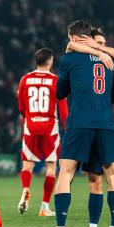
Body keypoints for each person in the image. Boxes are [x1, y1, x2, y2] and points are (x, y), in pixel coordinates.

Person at [42, 20, 114, 227]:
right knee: (112, 175)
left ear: (73, 37)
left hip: (79, 122)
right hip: (106, 123)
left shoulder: (69, 59)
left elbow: (59, 93)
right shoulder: (110, 61)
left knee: (66, 173)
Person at [67, 26, 114, 227]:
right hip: (90, 123)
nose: (102, 47)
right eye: (98, 42)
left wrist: (102, 52)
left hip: (103, 125)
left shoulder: (108, 64)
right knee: (95, 179)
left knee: (112, 175)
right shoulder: (79, 63)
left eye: (104, 43)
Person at [16, 48, 68, 217]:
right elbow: (63, 109)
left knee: (27, 165)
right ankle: (44, 206)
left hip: (31, 125)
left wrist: (29, 118)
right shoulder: (55, 81)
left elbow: (21, 108)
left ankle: (25, 189)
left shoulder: (25, 79)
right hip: (49, 127)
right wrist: (66, 127)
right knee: (51, 166)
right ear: (49, 61)